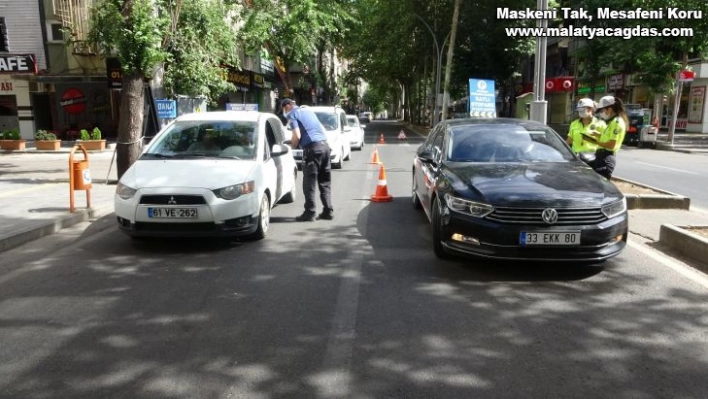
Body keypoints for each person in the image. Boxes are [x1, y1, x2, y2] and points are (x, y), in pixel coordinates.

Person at [282, 98, 334, 221]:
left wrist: (292, 146)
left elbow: (297, 135)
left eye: (283, 108)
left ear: (288, 106)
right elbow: (320, 129)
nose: (284, 111)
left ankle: (310, 212)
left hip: (312, 150)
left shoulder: (292, 113)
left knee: (309, 183)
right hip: (325, 147)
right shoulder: (308, 112)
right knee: (324, 182)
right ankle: (328, 211)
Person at [584, 96, 628, 179]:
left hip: (605, 158)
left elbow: (611, 145)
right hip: (601, 156)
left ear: (609, 109)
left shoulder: (616, 122)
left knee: (600, 187)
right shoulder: (612, 122)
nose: (601, 113)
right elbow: (608, 137)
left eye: (602, 110)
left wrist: (594, 141)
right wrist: (598, 135)